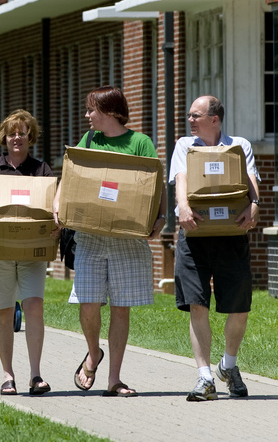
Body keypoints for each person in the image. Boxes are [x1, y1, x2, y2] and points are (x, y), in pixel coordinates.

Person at [52, 86, 167, 397]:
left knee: (120, 308)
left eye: (93, 110)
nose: (88, 116)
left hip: (128, 240)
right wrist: (57, 204)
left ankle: (114, 380)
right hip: (90, 237)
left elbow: (155, 181)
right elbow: (69, 172)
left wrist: (161, 217)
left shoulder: (139, 142)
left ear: (111, 111)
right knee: (88, 303)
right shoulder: (89, 141)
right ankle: (93, 353)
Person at [170, 95, 260, 401]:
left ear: (215, 119)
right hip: (194, 232)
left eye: (196, 115)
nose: (190, 120)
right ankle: (205, 377)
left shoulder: (239, 146)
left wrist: (255, 204)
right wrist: (182, 207)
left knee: (239, 307)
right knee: (198, 303)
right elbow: (181, 178)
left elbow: (250, 180)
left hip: (232, 234)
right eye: (190, 116)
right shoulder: (185, 145)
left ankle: (229, 365)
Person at [0, 110, 54, 396]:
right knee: (4, 311)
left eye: (22, 132)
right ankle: (8, 375)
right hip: (0, 252)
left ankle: (36, 375)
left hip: (32, 252)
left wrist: (57, 223)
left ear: (31, 136)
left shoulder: (41, 169)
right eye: (12, 133)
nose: (17, 137)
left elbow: (53, 205)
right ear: (4, 137)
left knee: (34, 307)